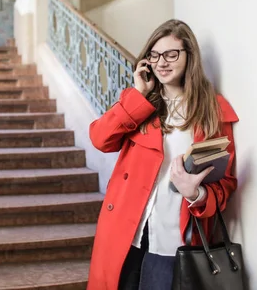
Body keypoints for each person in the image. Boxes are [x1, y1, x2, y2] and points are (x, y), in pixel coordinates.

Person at [86, 19, 239, 290]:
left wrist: (197, 194)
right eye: (154, 55)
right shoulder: (140, 103)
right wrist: (138, 94)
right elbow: (100, 138)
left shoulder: (212, 111)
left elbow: (225, 182)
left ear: (189, 56)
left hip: (174, 239)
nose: (162, 63)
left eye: (171, 54)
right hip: (126, 231)